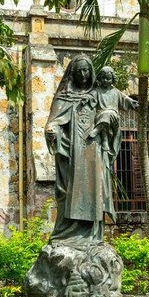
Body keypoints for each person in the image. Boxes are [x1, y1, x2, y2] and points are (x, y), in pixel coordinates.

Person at [45, 55, 115, 247]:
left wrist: (108, 118)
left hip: (93, 153)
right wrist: (52, 131)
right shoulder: (63, 96)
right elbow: (54, 121)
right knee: (67, 191)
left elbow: (112, 112)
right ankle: (65, 234)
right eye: (79, 71)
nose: (83, 74)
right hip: (70, 153)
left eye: (86, 70)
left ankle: (91, 237)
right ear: (72, 73)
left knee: (94, 191)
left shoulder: (97, 94)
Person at [87, 66, 138, 161]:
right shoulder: (97, 91)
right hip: (99, 116)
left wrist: (132, 102)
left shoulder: (115, 91)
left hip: (113, 117)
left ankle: (98, 130)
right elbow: (90, 98)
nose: (106, 81)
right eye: (103, 78)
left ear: (112, 79)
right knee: (105, 115)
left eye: (108, 78)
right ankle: (104, 139)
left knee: (109, 113)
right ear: (100, 78)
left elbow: (125, 99)